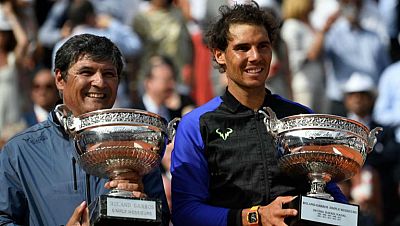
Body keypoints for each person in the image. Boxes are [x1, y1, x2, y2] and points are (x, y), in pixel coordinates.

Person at [170, 2, 347, 226]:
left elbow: (329, 192)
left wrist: (342, 213)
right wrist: (256, 217)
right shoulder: (196, 124)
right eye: (243, 48)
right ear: (219, 55)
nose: (255, 57)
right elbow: (185, 212)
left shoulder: (301, 117)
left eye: (263, 46)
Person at [0, 34, 170, 225]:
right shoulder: (19, 151)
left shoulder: (138, 147)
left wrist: (142, 205)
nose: (99, 82)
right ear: (59, 79)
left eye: (109, 74)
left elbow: (162, 220)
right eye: (87, 72)